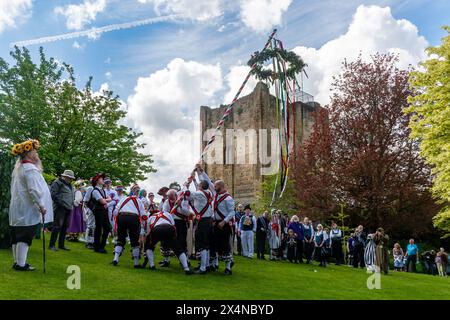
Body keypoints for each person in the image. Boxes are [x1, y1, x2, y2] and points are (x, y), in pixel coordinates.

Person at [9, 139, 53, 271]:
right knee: (25, 235)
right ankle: (21, 265)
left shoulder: (20, 168)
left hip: (18, 208)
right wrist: (41, 205)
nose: (36, 154)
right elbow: (33, 189)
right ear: (29, 154)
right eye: (35, 151)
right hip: (26, 208)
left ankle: (18, 262)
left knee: (17, 235)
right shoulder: (30, 169)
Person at [197, 168, 236, 275]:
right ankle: (214, 265)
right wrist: (201, 171)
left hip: (224, 225)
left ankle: (228, 268)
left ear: (222, 186)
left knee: (225, 246)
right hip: (215, 224)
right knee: (213, 245)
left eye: (216, 186)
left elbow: (232, 213)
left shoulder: (228, 198)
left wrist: (224, 222)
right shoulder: (215, 195)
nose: (214, 187)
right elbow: (208, 181)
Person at [144, 210, 193, 275]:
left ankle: (152, 265)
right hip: (169, 228)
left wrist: (149, 244)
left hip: (157, 229)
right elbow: (173, 225)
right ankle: (186, 268)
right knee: (178, 249)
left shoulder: (151, 217)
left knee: (149, 246)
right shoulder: (167, 214)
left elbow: (148, 232)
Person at [112, 184, 145, 268]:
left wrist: (116, 221)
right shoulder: (139, 201)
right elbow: (143, 215)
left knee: (121, 238)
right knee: (134, 240)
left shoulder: (124, 198)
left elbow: (116, 211)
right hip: (133, 219)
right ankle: (136, 263)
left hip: (122, 217)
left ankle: (115, 259)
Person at [186, 170, 214, 274]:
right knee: (206, 244)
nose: (197, 186)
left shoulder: (200, 194)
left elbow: (187, 194)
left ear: (201, 186)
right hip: (208, 221)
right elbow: (198, 188)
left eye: (199, 185)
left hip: (203, 221)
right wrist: (194, 179)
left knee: (201, 243)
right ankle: (206, 265)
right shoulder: (208, 193)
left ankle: (202, 268)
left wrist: (187, 184)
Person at [162, 188, 190, 268]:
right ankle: (166, 260)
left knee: (182, 241)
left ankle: (185, 261)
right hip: (171, 223)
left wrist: (180, 206)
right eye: (169, 197)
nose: (170, 199)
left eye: (171, 197)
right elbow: (165, 213)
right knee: (166, 241)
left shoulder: (183, 200)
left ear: (175, 195)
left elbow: (187, 213)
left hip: (181, 223)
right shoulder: (167, 202)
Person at [49, 169, 75, 251]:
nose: (70, 179)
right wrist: (61, 203)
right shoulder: (57, 183)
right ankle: (52, 245)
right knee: (57, 226)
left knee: (64, 227)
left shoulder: (69, 185)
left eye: (71, 178)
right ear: (65, 177)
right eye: (69, 178)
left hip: (68, 208)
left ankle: (61, 245)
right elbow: (53, 195)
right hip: (60, 208)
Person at [88, 173, 112, 253]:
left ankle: (101, 246)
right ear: (97, 181)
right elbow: (102, 201)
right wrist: (105, 200)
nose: (103, 180)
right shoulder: (95, 190)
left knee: (107, 227)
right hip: (98, 210)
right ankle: (97, 246)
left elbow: (109, 198)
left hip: (103, 210)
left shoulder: (103, 190)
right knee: (98, 228)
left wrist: (105, 200)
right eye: (102, 179)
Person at [83, 184, 95, 249]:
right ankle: (88, 242)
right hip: (91, 209)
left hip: (97, 210)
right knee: (90, 226)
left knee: (94, 226)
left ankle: (92, 241)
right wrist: (87, 209)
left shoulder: (100, 188)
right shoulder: (90, 188)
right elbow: (86, 199)